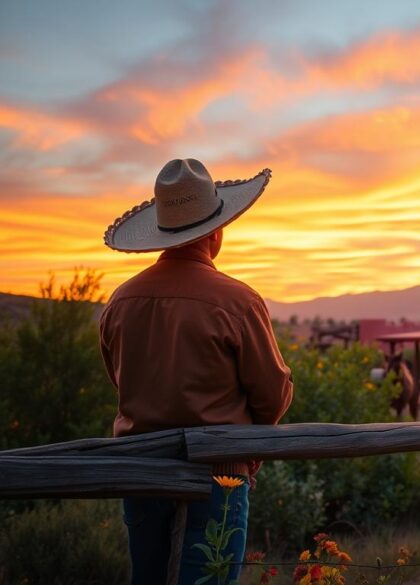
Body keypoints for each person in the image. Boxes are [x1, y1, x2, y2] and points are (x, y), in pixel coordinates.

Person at [99, 158, 293, 584]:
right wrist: (249, 451)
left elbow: (121, 380)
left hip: (141, 472)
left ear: (162, 232)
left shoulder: (120, 301)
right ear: (217, 230)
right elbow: (272, 393)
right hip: (219, 474)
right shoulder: (238, 302)